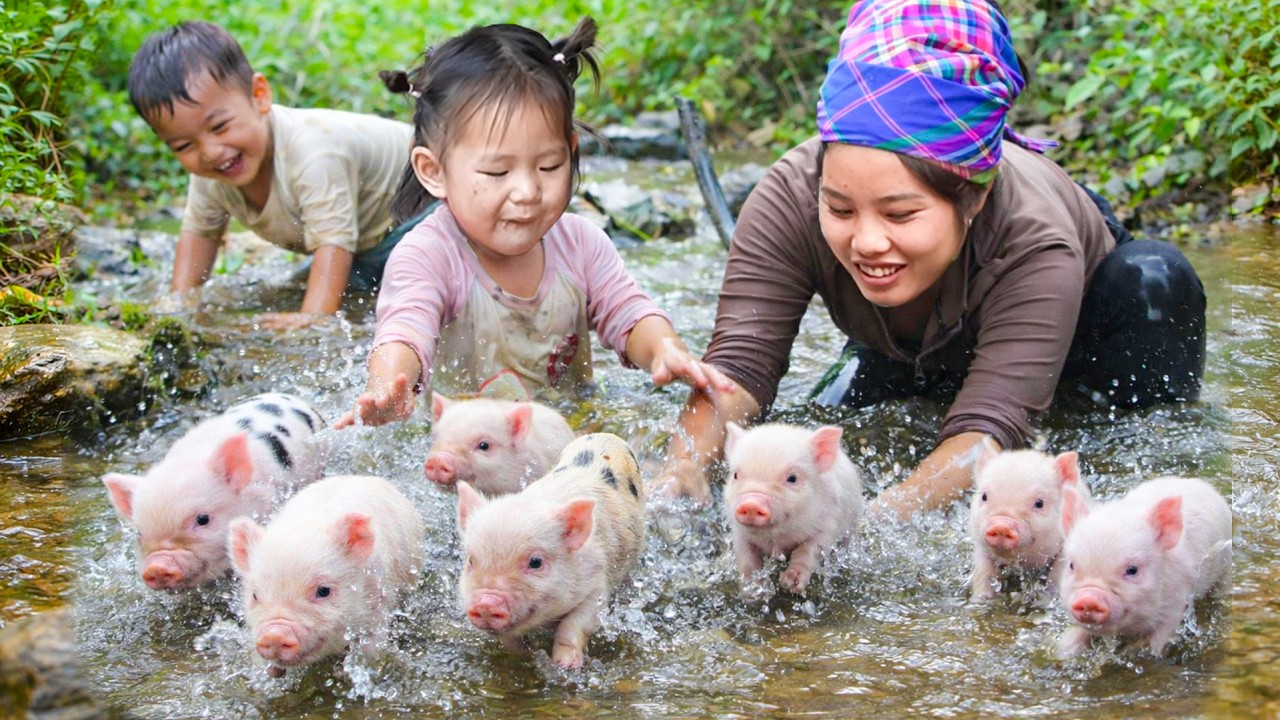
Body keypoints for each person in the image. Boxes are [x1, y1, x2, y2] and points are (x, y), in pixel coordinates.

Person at [654, 0, 1205, 517]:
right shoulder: (788, 196)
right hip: (908, 337)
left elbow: (992, 426)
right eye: (840, 209)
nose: (866, 241)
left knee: (1154, 281)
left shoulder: (1035, 240)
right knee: (825, 433)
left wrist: (877, 519)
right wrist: (683, 468)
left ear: (974, 197)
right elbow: (740, 367)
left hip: (1077, 331)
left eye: (898, 215)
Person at [336, 17, 734, 427]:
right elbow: (404, 330)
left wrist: (665, 348)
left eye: (549, 166)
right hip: (464, 446)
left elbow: (629, 312)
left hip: (570, 431)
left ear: (571, 151)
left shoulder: (581, 244)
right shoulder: (428, 254)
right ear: (433, 171)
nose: (527, 191)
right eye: (497, 172)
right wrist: (387, 386)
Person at [128, 20, 419, 328]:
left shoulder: (312, 151)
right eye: (184, 145)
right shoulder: (211, 172)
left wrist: (311, 321)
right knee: (292, 292)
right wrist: (178, 307)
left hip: (430, 203)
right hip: (372, 241)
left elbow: (333, 245)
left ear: (259, 95)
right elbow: (200, 233)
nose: (209, 152)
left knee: (390, 294)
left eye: (220, 126)